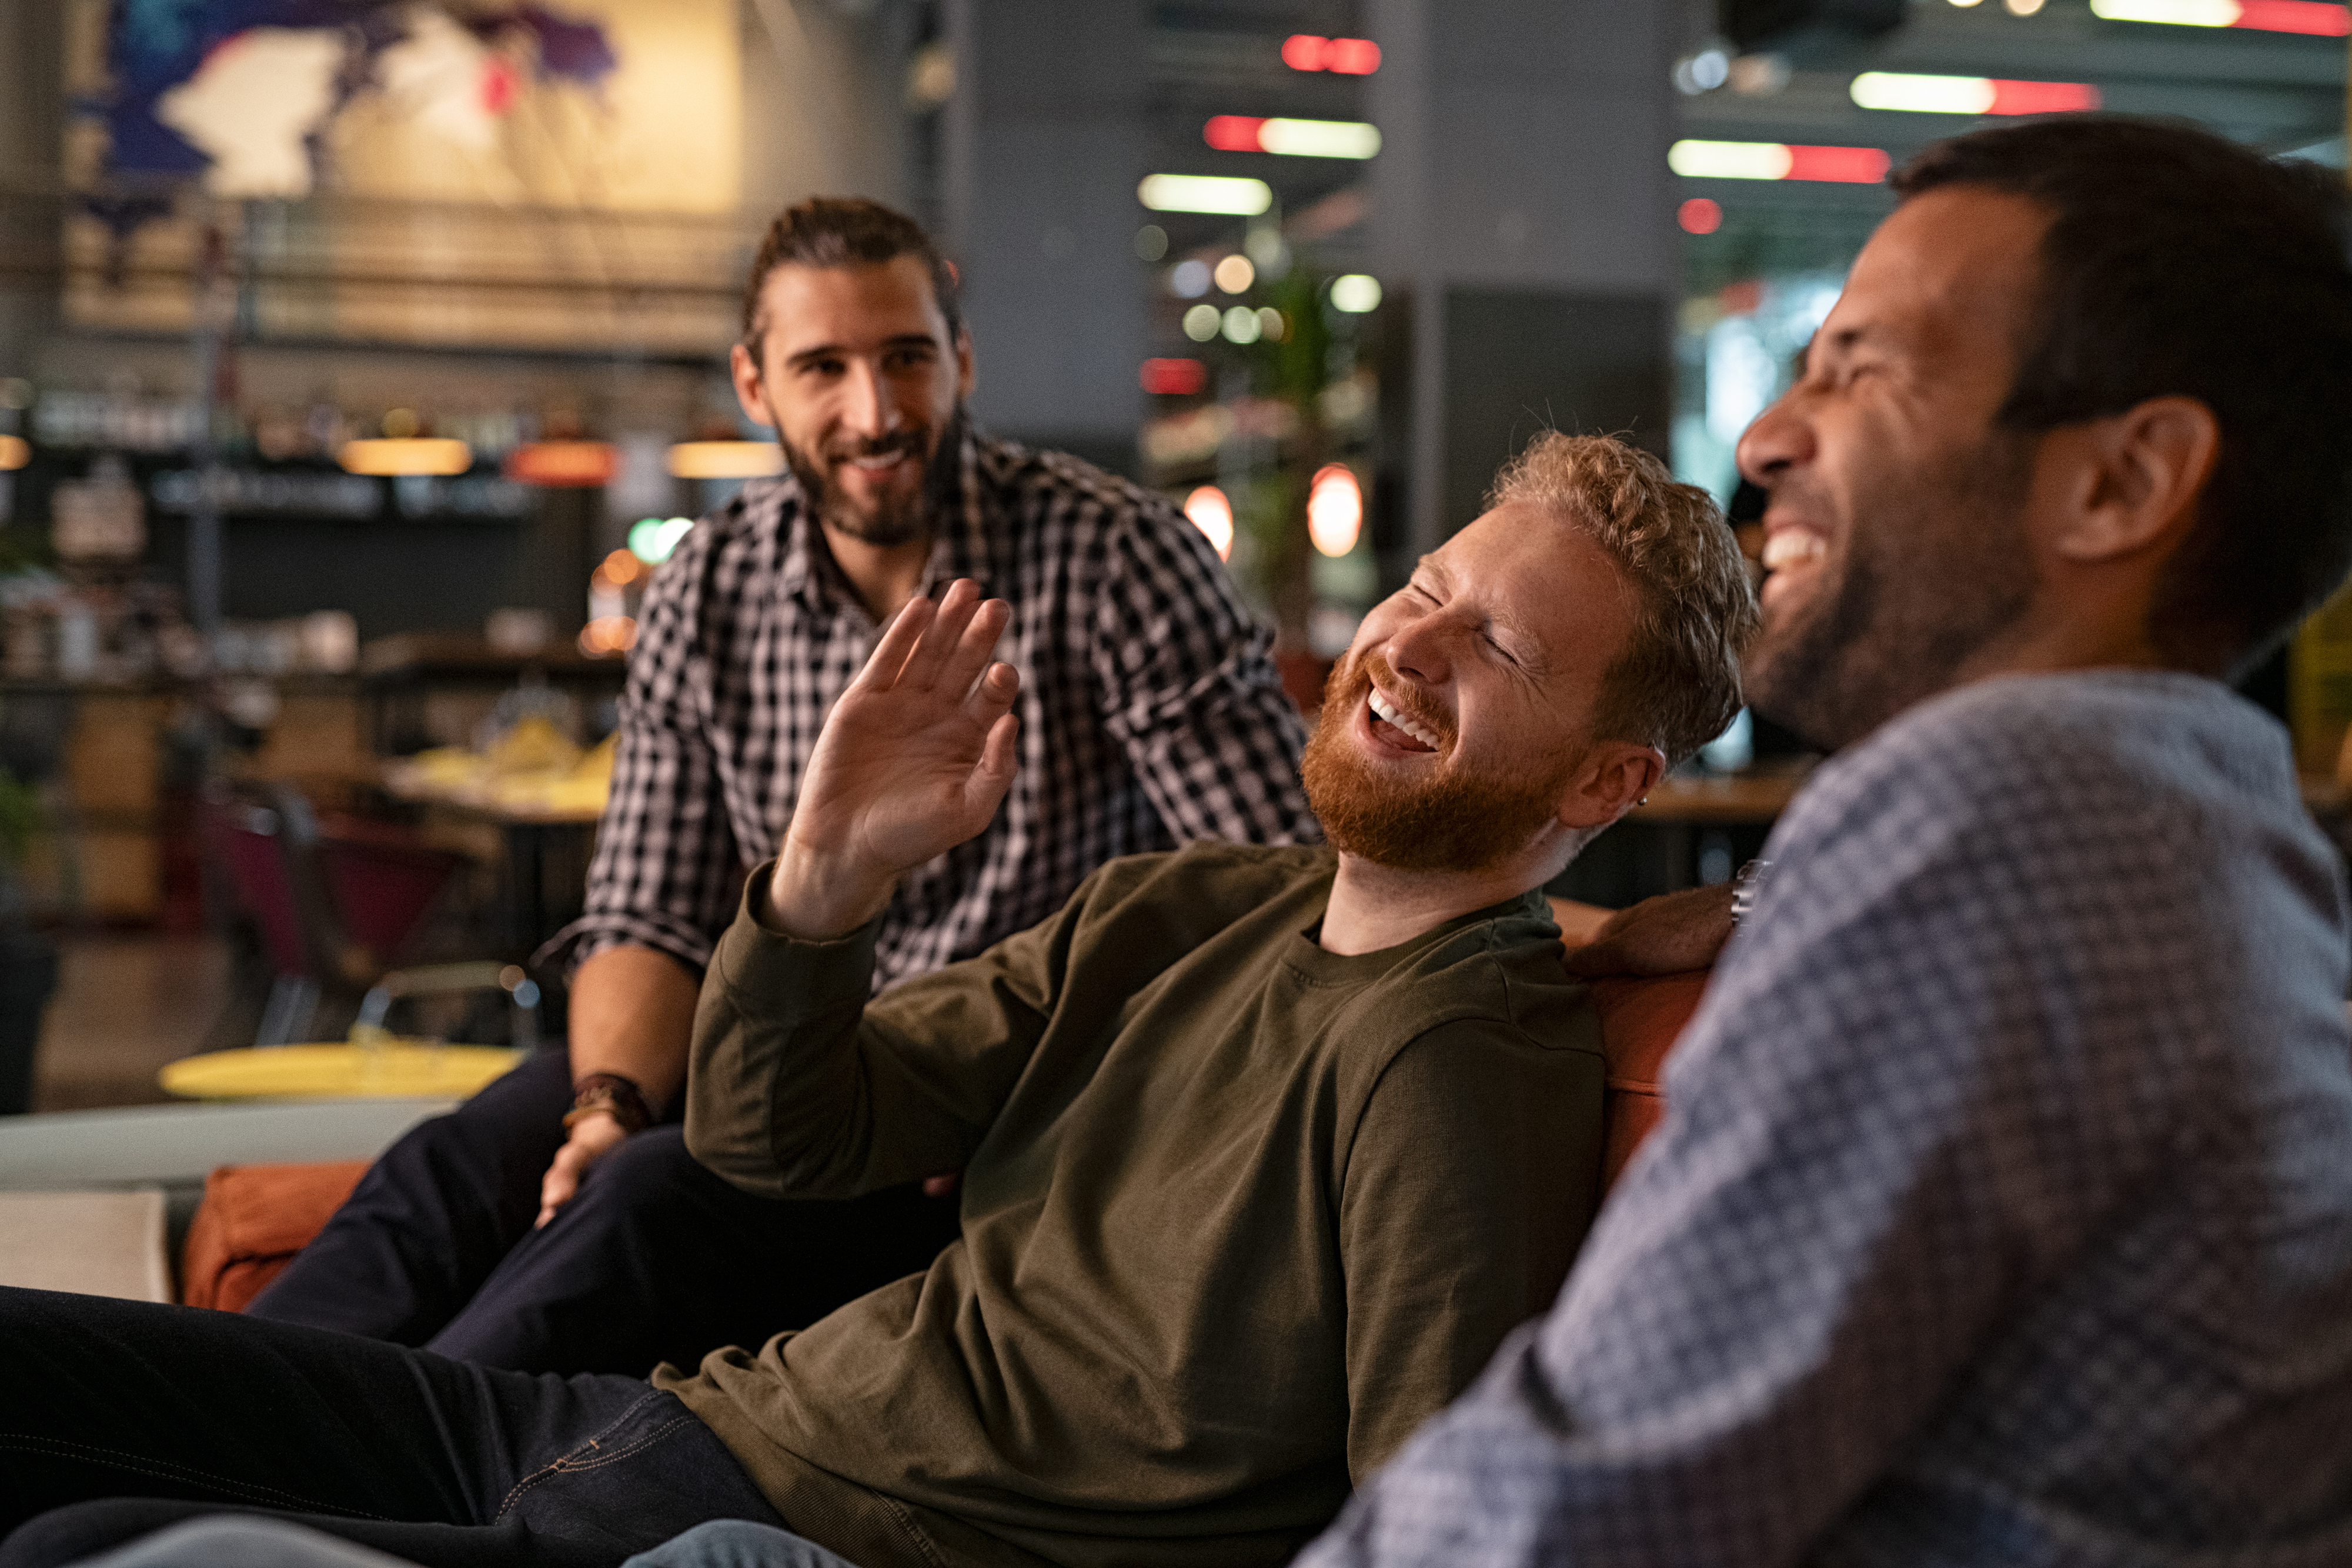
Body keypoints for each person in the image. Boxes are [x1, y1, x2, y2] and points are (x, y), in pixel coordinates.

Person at [0, 432, 1756, 1568]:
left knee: (96, 1546)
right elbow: (777, 1131)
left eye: (1496, 649)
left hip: (787, 1541)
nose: (1409, 645)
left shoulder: (1457, 1063)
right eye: (1428, 592)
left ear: (1600, 783)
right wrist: (825, 881)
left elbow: (1419, 1524)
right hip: (665, 1427)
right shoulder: (1193, 907)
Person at [1299, 116, 2352, 1568]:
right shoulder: (2215, 818)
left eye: (1862, 368)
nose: (1764, 436)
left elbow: (1587, 1503)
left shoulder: (1989, 811)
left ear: (2122, 483)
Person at [246, 198, 1322, 1375]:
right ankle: (170, 1424)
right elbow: (647, 913)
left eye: (907, 358)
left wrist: (1038, 1094)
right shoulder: (708, 582)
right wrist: (606, 1098)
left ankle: (348, 1476)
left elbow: (1278, 889)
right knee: (451, 1169)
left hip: (970, 1096)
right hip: (758, 1047)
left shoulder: (1115, 554)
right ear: (754, 387)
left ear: (958, 360)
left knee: (645, 1207)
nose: (875, 412)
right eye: (824, 368)